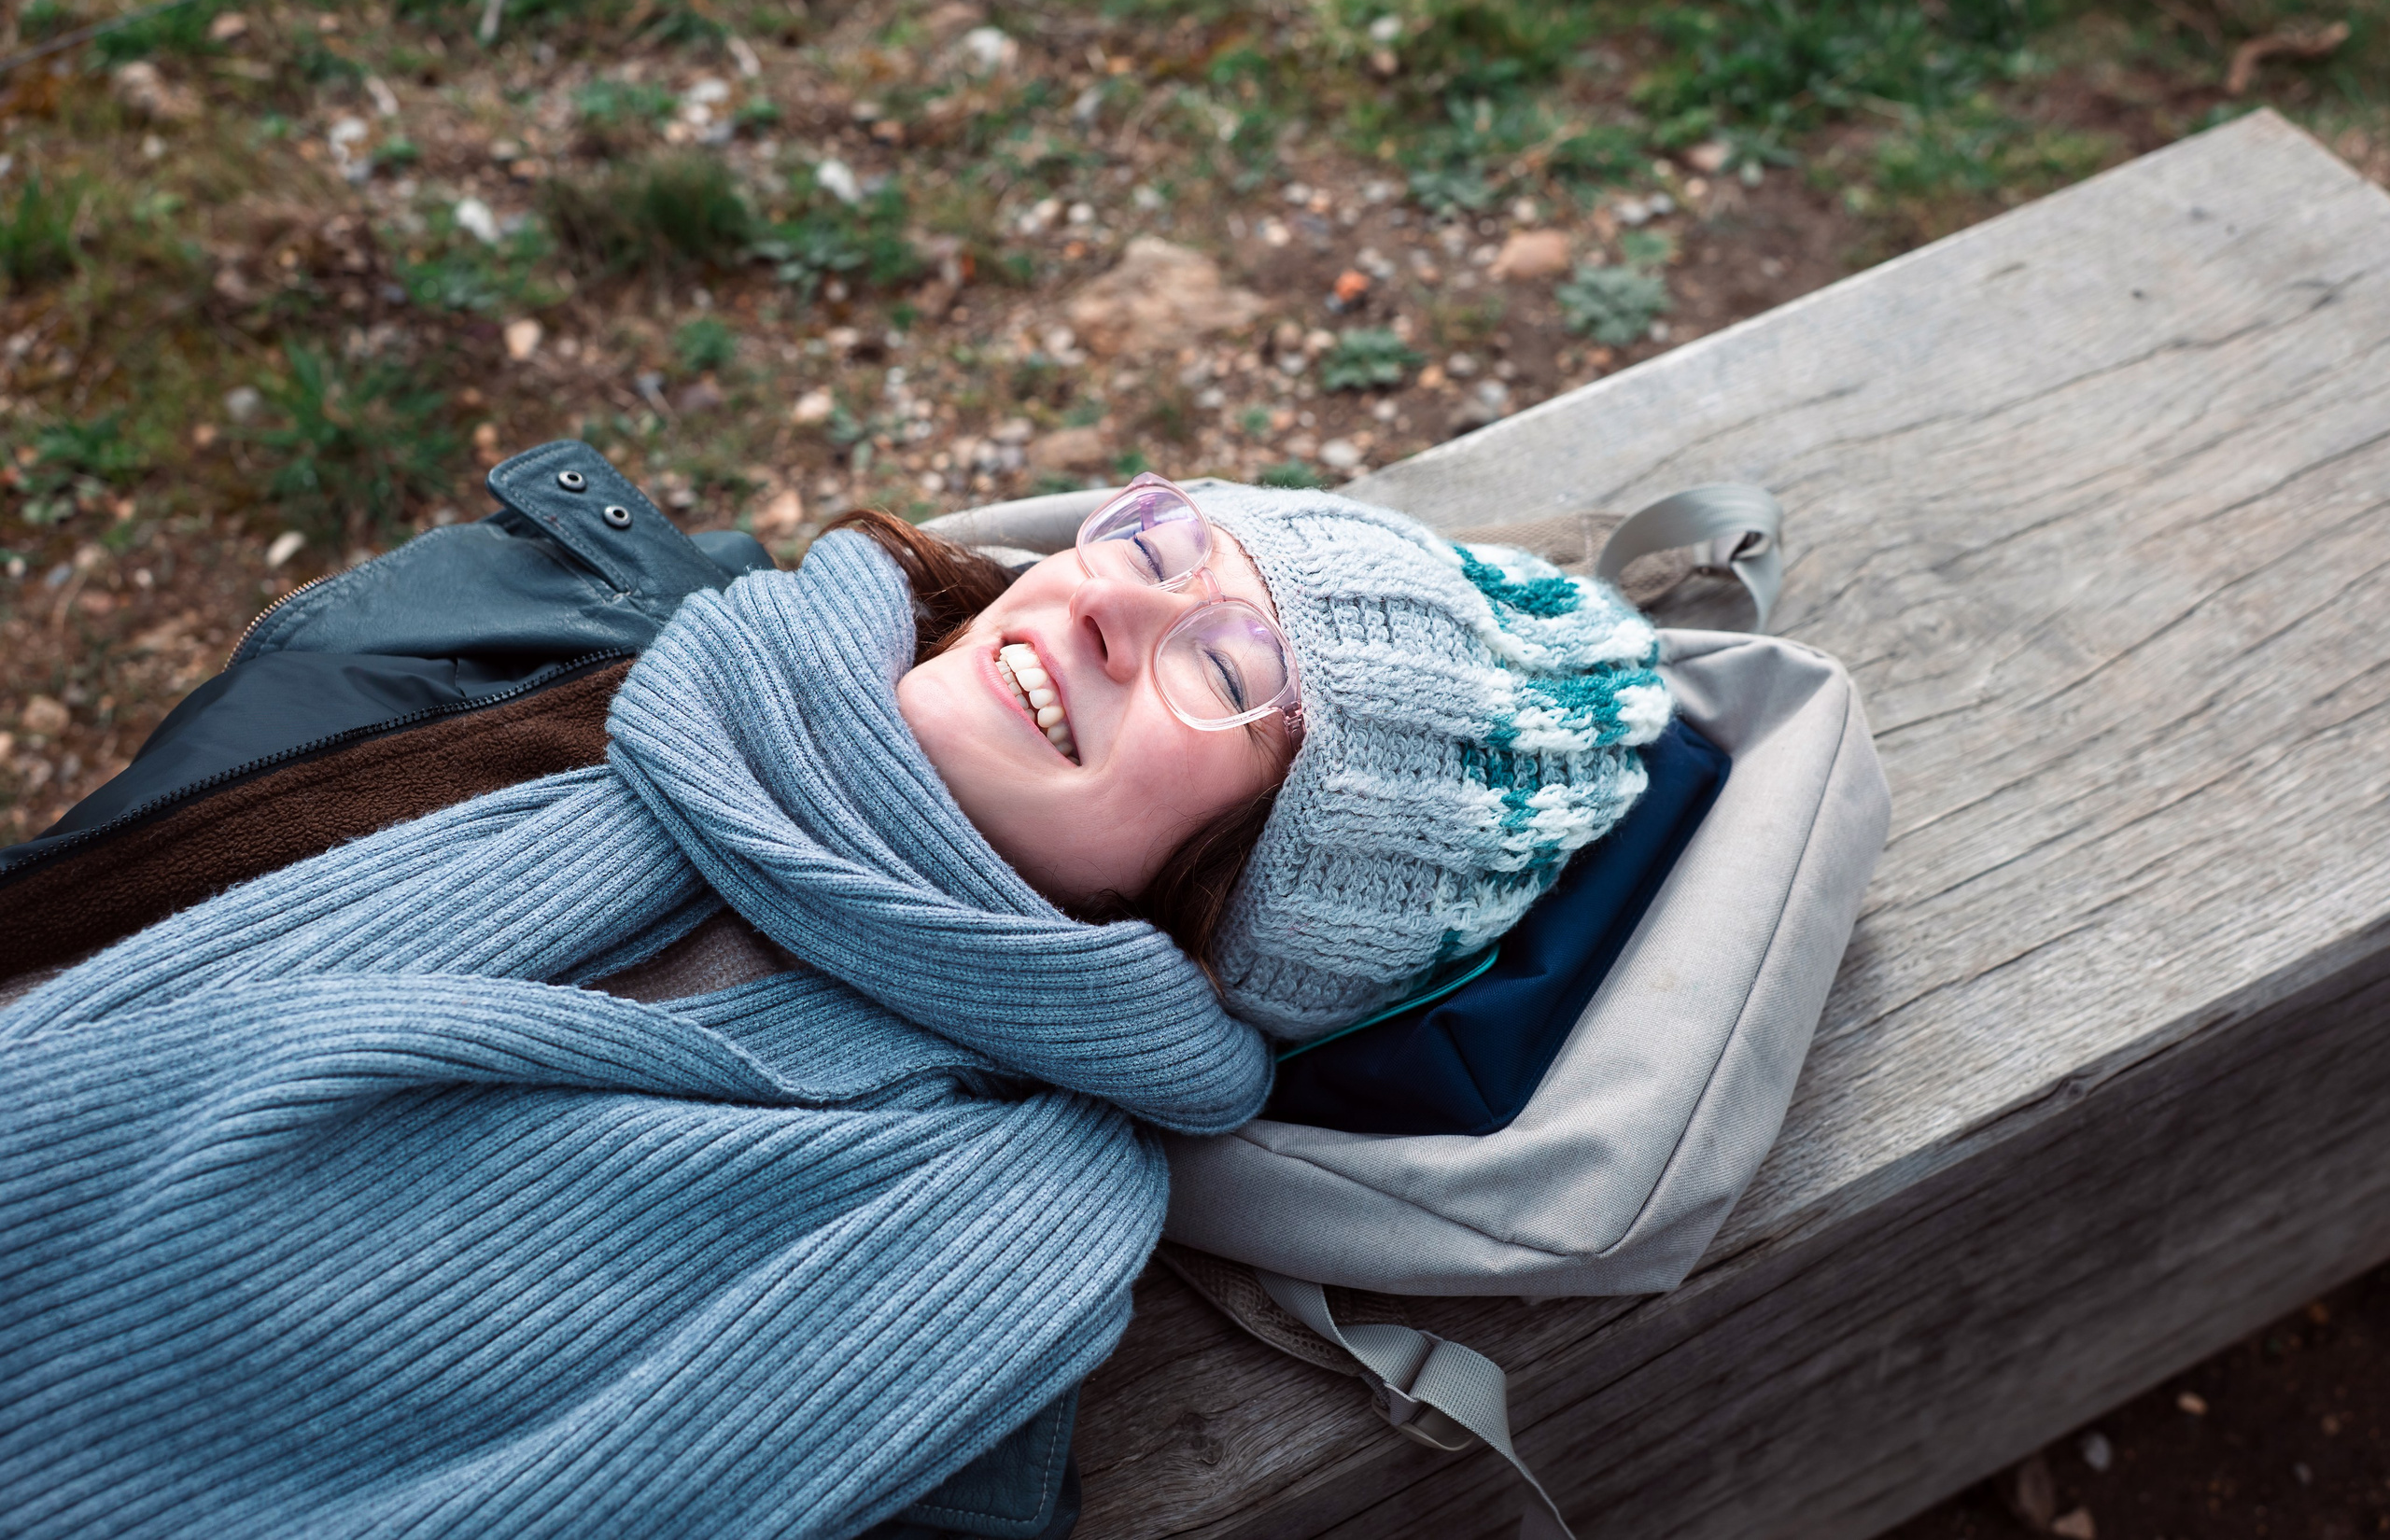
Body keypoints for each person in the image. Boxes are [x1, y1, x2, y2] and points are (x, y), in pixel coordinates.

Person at [0, 475, 1666, 1538]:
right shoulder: (551, 664)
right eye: (1160, 537)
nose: (1106, 594)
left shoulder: (984, 1231)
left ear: (1252, 894)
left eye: (1226, 674)